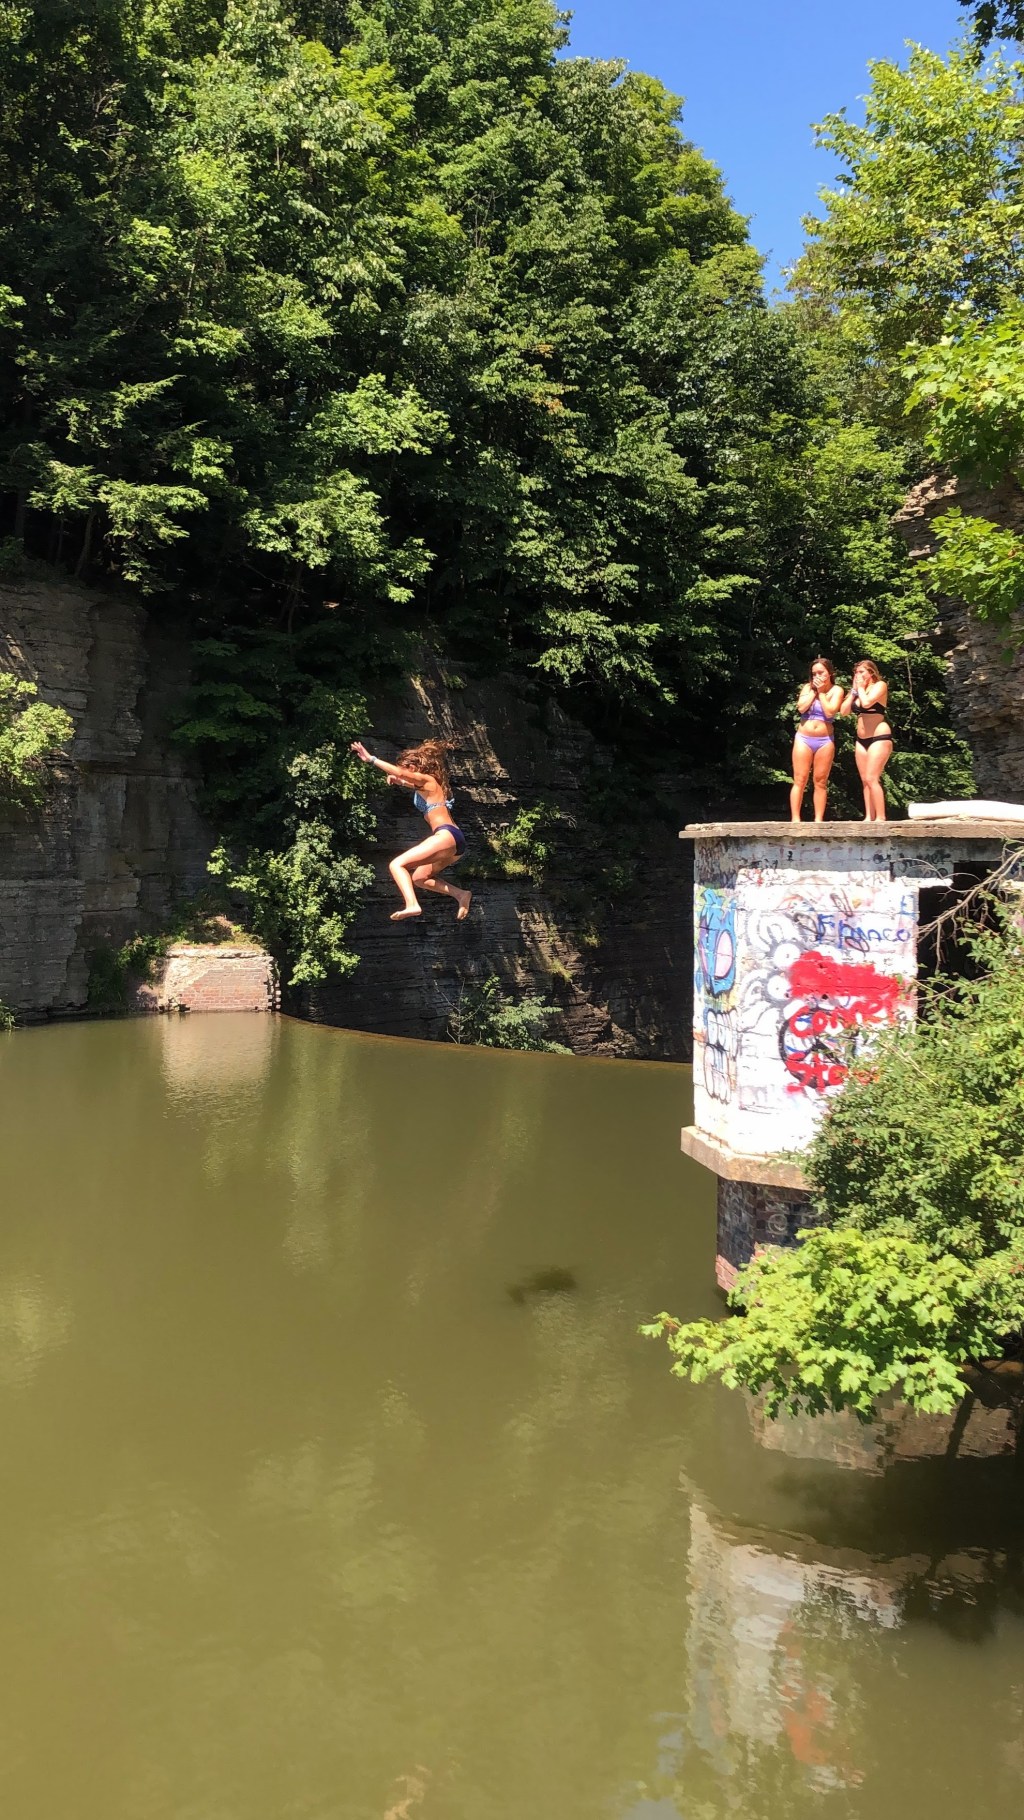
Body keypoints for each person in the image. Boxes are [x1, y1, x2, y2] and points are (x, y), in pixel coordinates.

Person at [350, 737, 472, 922]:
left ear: (413, 768)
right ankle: (461, 894)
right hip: (454, 843)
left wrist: (372, 759)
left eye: (405, 771)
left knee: (397, 865)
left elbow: (400, 773)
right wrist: (400, 782)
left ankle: (412, 905)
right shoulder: (425, 785)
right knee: (420, 878)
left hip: (446, 834)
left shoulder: (428, 779)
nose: (402, 774)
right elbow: (406, 781)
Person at [790, 657, 844, 823]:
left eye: (821, 672)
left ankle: (819, 819)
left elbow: (830, 712)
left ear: (830, 673)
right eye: (814, 673)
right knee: (800, 779)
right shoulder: (808, 688)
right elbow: (801, 707)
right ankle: (795, 818)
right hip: (804, 738)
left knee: (820, 781)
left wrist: (821, 693)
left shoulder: (837, 690)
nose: (817, 676)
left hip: (824, 740)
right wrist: (814, 691)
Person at [841, 660, 893, 822]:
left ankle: (880, 817)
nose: (858, 676)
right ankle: (869, 816)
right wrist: (853, 692)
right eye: (856, 673)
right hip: (861, 739)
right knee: (865, 780)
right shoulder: (857, 691)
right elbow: (843, 712)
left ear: (871, 673)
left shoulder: (880, 685)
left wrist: (861, 689)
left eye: (862, 672)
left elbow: (867, 702)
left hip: (879, 736)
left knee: (872, 777)